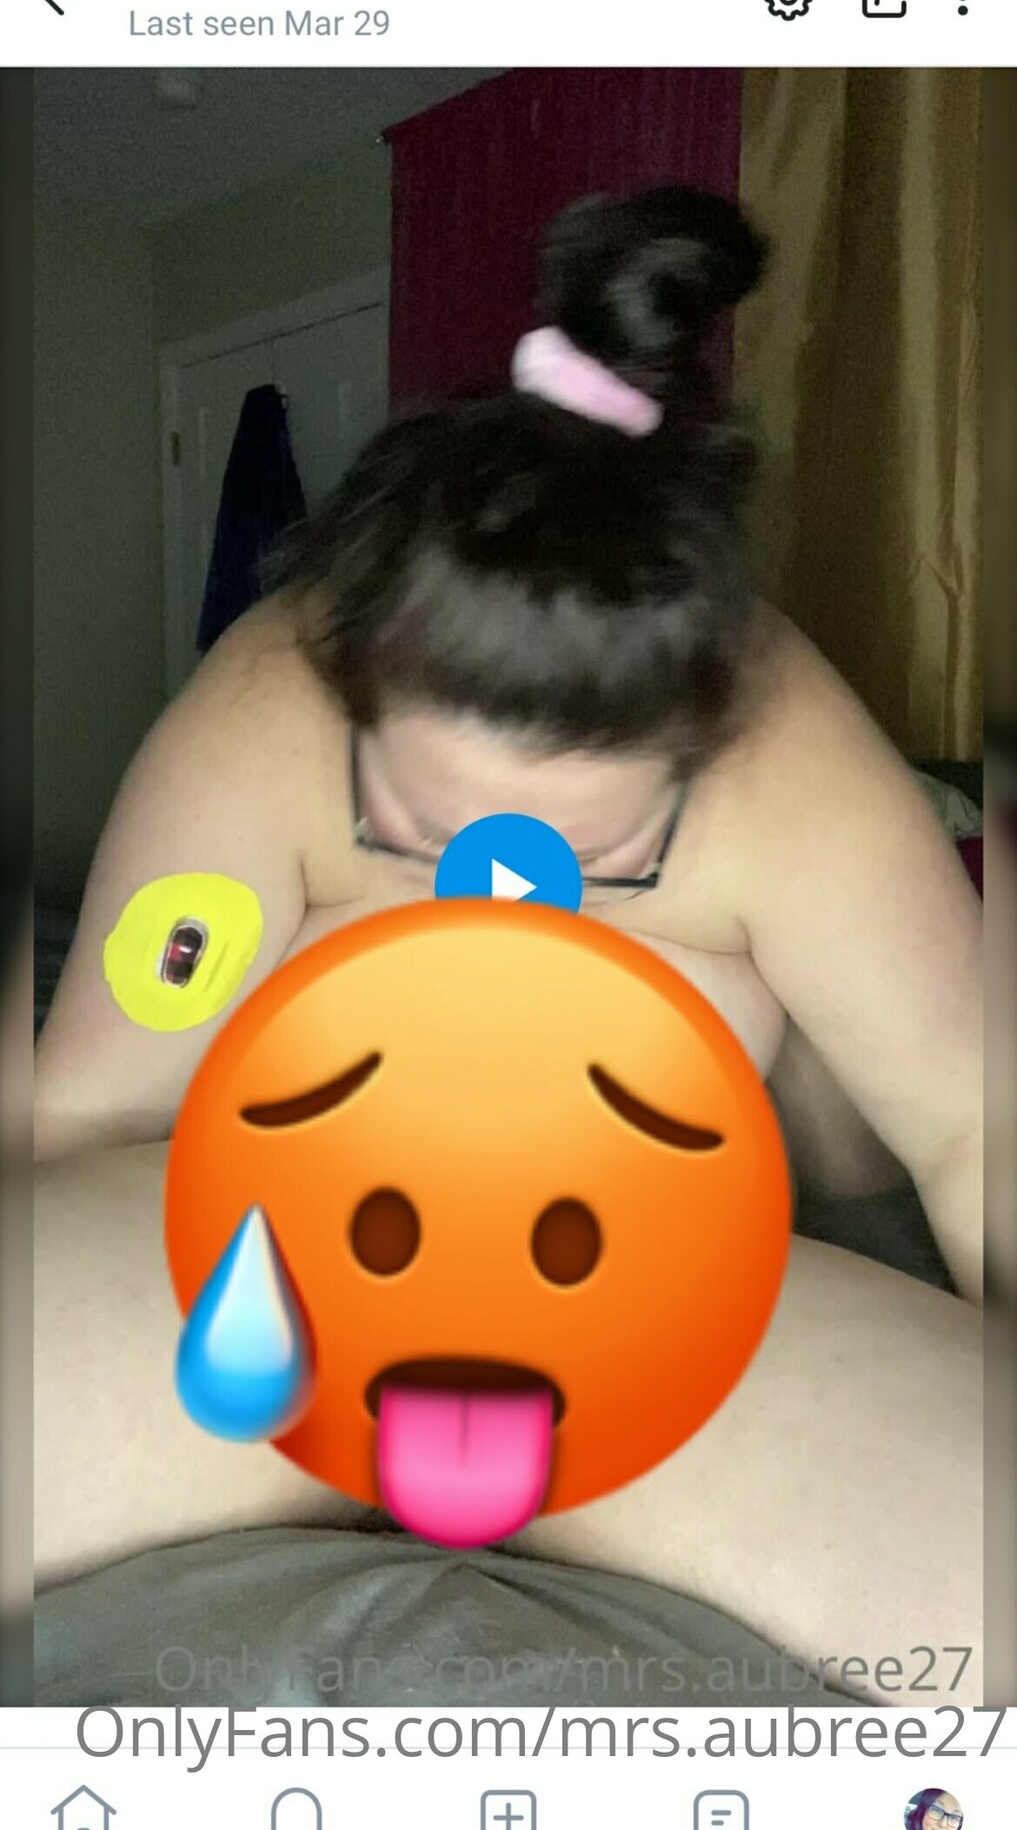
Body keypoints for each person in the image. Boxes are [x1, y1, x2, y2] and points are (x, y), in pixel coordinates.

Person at [32, 187, 983, 1695]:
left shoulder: (793, 758)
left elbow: (973, 1127)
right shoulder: (264, 708)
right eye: (416, 829)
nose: (504, 877)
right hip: (279, 1237)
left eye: (608, 857)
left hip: (669, 1269)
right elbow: (90, 1109)